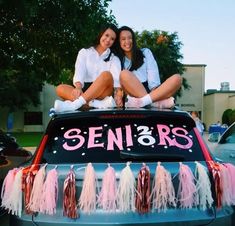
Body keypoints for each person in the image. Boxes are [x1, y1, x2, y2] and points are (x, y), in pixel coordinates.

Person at [52, 24, 123, 113]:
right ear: (101, 34)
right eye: (107, 35)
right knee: (60, 88)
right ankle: (96, 104)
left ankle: (75, 104)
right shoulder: (84, 52)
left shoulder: (114, 58)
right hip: (84, 90)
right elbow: (79, 71)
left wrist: (118, 95)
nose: (108, 40)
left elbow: (116, 80)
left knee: (106, 75)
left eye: (112, 39)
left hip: (103, 93)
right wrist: (78, 87)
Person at [115, 26, 182, 108]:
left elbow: (153, 75)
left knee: (177, 78)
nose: (127, 41)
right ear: (119, 42)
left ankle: (145, 102)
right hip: (133, 94)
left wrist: (154, 91)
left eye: (130, 38)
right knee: (124, 74)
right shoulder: (117, 59)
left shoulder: (145, 52)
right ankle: (154, 103)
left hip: (152, 92)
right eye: (123, 39)